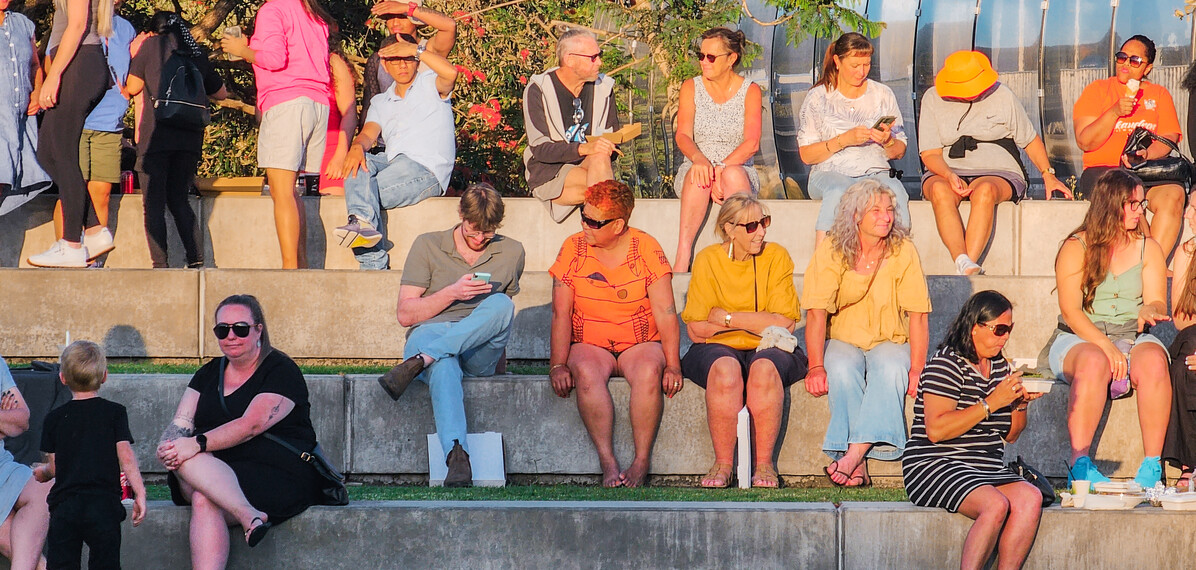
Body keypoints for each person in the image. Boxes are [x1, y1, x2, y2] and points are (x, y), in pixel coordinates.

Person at [157, 295, 325, 566]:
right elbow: (181, 423)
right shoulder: (209, 372)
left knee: (203, 498)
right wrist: (169, 445)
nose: (231, 336)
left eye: (240, 328)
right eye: (222, 330)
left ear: (259, 330)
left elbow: (252, 425)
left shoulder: (281, 370)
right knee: (188, 462)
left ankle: (248, 514)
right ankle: (250, 516)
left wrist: (197, 443)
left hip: (275, 472)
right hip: (214, 467)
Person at [375, 184, 525, 487]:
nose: (480, 238)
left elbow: (499, 318)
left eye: (488, 232)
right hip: (429, 330)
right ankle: (457, 457)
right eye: (473, 231)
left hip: (475, 347)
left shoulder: (512, 251)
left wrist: (500, 365)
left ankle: (423, 359)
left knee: (501, 304)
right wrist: (451, 293)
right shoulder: (428, 245)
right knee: (443, 364)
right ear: (460, 215)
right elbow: (405, 314)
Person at [548, 180, 683, 487]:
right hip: (590, 341)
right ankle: (607, 461)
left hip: (640, 341)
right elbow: (560, 313)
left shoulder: (646, 248)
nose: (585, 224)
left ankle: (641, 460)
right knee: (583, 369)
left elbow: (666, 312)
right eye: (583, 215)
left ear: (619, 224)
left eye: (595, 221)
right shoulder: (573, 248)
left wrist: (673, 363)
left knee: (650, 370)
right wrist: (557, 364)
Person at [802, 178, 931, 487]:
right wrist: (815, 366)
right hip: (845, 335)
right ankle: (856, 462)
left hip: (890, 337)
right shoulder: (832, 249)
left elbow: (919, 315)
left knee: (890, 369)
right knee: (842, 370)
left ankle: (850, 456)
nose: (886, 217)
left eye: (889, 210)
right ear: (855, 215)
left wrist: (917, 368)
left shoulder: (903, 250)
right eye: (875, 210)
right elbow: (817, 313)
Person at [902, 291, 1044, 570]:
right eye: (999, 330)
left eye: (1009, 330)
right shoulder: (946, 363)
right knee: (995, 505)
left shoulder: (1001, 366)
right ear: (974, 327)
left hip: (984, 465)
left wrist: (1019, 404)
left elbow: (1011, 435)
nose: (1004, 338)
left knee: (1031, 497)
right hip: (936, 462)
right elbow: (936, 430)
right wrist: (991, 403)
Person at [1047, 168, 1171, 488]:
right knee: (1094, 361)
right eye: (1133, 204)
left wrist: (1150, 309)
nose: (1140, 211)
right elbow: (1071, 311)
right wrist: (1106, 346)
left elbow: (1158, 302)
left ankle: (1151, 467)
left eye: (1142, 204)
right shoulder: (1077, 246)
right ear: (1111, 203)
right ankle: (1080, 464)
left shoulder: (1148, 248)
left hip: (1132, 333)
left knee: (1156, 362)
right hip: (1080, 336)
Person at [680, 194, 807, 488]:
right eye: (751, 226)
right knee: (725, 368)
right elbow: (696, 329)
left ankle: (764, 466)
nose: (761, 231)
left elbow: (785, 322)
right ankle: (723, 463)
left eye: (764, 222)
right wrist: (759, 320)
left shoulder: (776, 256)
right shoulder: (708, 259)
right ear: (729, 228)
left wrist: (726, 319)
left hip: (769, 346)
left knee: (764, 368)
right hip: (718, 349)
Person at [921, 50, 1071, 276]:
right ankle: (961, 259)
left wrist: (1047, 174)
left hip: (997, 168)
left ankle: (967, 268)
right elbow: (930, 153)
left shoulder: (1003, 96)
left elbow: (1029, 139)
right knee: (940, 191)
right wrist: (948, 174)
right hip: (947, 166)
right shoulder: (932, 98)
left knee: (985, 191)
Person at [221, 0, 333, 269]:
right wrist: (252, 48)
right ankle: (300, 265)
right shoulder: (313, 13)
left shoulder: (273, 9)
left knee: (282, 192)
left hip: (287, 102)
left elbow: (274, 59)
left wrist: (242, 50)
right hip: (318, 102)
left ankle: (289, 269)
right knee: (295, 193)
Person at [332, 33, 458, 270]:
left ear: (417, 60)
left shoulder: (430, 83)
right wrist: (357, 147)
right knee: (357, 164)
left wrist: (416, 48)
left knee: (364, 194)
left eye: (408, 58)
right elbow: (368, 134)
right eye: (395, 60)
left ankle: (372, 263)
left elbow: (451, 73)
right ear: (385, 66)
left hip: (425, 169)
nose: (402, 65)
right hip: (392, 163)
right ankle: (362, 224)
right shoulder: (381, 101)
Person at [127, 12, 228, 268]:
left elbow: (132, 86)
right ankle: (196, 259)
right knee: (179, 200)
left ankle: (160, 265)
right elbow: (221, 93)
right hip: (190, 140)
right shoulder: (195, 52)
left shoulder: (150, 46)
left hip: (156, 138)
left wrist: (136, 52)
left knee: (153, 204)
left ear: (152, 32)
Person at [33, 340, 146, 569]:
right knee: (106, 563)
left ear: (62, 378)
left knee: (63, 563)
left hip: (66, 506)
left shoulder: (54, 418)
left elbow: (55, 467)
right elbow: (126, 458)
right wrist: (140, 493)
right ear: (105, 376)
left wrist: (42, 473)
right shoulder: (115, 413)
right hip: (104, 506)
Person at [1073, 35, 1185, 257]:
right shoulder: (1098, 90)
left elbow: (1169, 135)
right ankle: (1143, 264)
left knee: (1174, 196)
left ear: (1147, 68)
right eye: (1122, 57)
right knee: (1129, 196)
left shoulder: (1158, 94)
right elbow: (1085, 141)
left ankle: (1152, 265)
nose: (1125, 64)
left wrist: (1147, 154)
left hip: (1146, 171)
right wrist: (1114, 112)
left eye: (1134, 61)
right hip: (1104, 171)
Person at [28, 0, 118, 267]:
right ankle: (93, 230)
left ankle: (71, 244)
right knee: (47, 153)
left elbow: (77, 25)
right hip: (79, 63)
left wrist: (54, 75)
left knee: (62, 153)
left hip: (78, 64)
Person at [797, 32, 908, 248]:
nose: (862, 72)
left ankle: (897, 255)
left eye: (866, 65)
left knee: (894, 192)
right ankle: (823, 258)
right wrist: (844, 140)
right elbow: (807, 155)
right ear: (837, 61)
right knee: (839, 190)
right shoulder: (818, 97)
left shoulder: (882, 94)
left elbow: (900, 150)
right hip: (829, 172)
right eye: (855, 65)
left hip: (875, 171)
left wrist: (887, 142)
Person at [49, 7, 135, 266]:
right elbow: (51, 57)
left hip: (109, 121)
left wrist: (127, 91)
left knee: (101, 191)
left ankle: (94, 260)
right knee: (72, 189)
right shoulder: (77, 19)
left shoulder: (126, 28)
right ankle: (68, 249)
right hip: (78, 115)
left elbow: (135, 64)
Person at [672, 27, 762, 273]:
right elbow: (683, 135)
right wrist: (701, 160)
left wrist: (722, 167)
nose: (703, 62)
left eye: (711, 57)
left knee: (732, 174)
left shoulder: (750, 91)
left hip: (738, 166)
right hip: (697, 166)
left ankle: (738, 252)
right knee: (698, 174)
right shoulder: (691, 87)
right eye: (700, 55)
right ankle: (683, 254)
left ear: (731, 59)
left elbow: (751, 143)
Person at [522, 28, 620, 223]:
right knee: (607, 193)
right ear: (569, 59)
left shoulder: (604, 88)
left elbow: (614, 143)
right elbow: (540, 148)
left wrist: (606, 145)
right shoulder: (539, 89)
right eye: (592, 57)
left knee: (600, 166)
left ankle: (598, 228)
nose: (599, 62)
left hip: (591, 167)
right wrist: (584, 148)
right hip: (550, 171)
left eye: (600, 55)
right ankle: (607, 234)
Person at [360, 0, 456, 122]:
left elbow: (449, 26)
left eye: (402, 16)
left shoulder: (429, 50)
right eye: (390, 17)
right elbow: (369, 105)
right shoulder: (379, 58)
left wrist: (408, 9)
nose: (395, 22)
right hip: (389, 137)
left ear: (415, 20)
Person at [0, 0, 51, 217]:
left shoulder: (23, 24)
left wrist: (37, 92)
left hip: (18, 119)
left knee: (6, 181)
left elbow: (34, 65)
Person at [0, 356, 50, 570]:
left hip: (2, 467)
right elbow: (10, 422)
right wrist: (3, 418)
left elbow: (22, 420)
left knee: (45, 484)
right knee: (38, 564)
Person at [1166, 200, 1196, 488]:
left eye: (1195, 208)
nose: (1186, 214)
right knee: (1184, 364)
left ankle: (1190, 463)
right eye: (1187, 206)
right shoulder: (1187, 251)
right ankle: (1190, 463)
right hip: (1192, 335)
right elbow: (1180, 317)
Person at [315, 44, 357, 195]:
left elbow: (350, 113)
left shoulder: (332, 61)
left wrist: (340, 155)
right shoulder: (285, 61)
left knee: (330, 212)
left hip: (330, 153)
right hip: (295, 154)